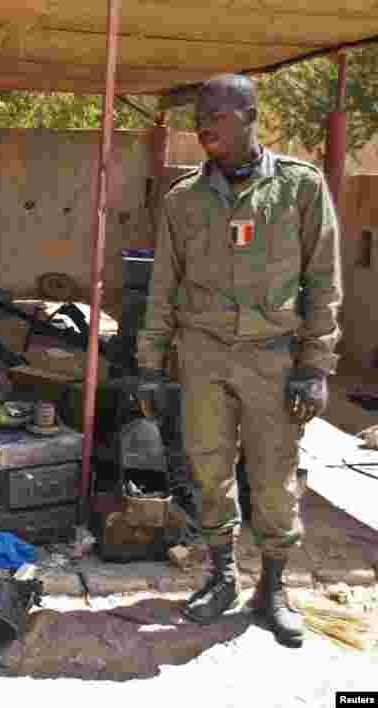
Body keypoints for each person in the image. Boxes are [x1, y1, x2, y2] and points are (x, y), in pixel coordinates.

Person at [136, 74, 342, 647]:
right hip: (201, 359)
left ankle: (272, 590)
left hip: (273, 360)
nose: (203, 128)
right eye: (199, 118)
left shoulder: (300, 189)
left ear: (250, 117)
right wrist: (150, 363)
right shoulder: (183, 200)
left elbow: (323, 282)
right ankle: (221, 576)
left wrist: (314, 365)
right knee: (208, 470)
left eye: (217, 117)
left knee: (274, 480)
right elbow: (162, 288)